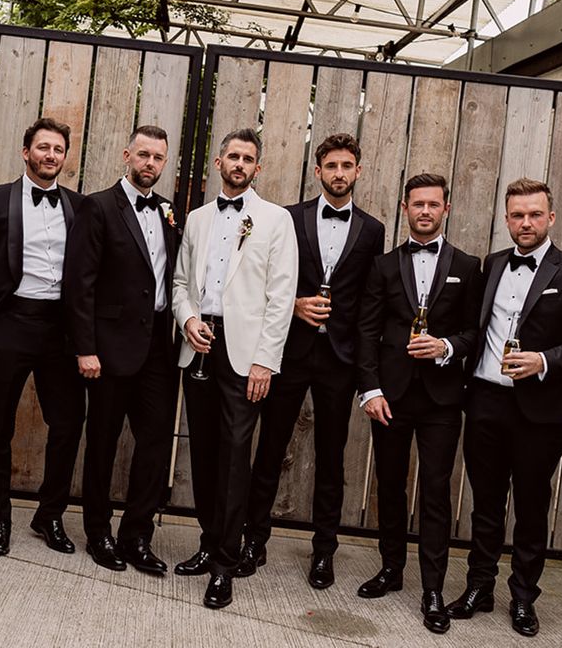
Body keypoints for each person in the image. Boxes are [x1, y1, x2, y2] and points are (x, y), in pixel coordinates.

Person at [446, 178, 562, 638]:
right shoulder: (491, 265)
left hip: (540, 410)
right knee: (485, 503)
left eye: (535, 214)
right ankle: (479, 587)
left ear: (550, 218)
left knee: (532, 506)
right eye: (517, 215)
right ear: (507, 219)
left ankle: (523, 598)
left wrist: (543, 361)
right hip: (485, 402)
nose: (526, 222)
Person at [242, 133, 384, 589]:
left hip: (339, 361)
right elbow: (268, 280)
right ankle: (253, 540)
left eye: (347, 166)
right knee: (269, 449)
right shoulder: (289, 218)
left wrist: (365, 370)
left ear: (357, 172)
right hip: (290, 351)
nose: (339, 173)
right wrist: (296, 305)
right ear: (318, 170)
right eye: (331, 166)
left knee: (331, 458)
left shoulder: (373, 230)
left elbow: (369, 305)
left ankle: (324, 552)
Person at [172, 128, 299, 609]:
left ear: (257, 168)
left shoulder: (275, 220)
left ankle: (225, 563)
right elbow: (181, 281)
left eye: (249, 158)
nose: (240, 164)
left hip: (246, 355)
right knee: (202, 452)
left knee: (233, 455)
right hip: (199, 343)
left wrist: (266, 360)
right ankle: (207, 544)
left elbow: (281, 296)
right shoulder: (199, 218)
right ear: (218, 162)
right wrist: (187, 320)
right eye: (233, 157)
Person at [357, 172, 482, 634]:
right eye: (417, 204)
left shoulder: (469, 266)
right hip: (390, 395)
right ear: (405, 209)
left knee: (435, 492)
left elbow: (474, 332)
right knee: (389, 484)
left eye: (433, 204)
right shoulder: (384, 265)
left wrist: (446, 347)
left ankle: (432, 588)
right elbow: (366, 330)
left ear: (445, 209)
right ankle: (391, 569)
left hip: (442, 400)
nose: (425, 211)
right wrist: (369, 390)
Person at [63, 125, 180, 575]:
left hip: (157, 350)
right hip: (108, 350)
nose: (150, 163)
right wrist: (85, 348)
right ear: (127, 155)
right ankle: (98, 533)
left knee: (153, 444)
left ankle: (136, 536)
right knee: (103, 443)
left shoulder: (169, 210)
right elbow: (80, 283)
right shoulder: (98, 205)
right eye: (144, 154)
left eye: (158, 157)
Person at [0, 118, 85, 557]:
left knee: (69, 423)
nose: (50, 155)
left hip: (60, 329)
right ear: (26, 152)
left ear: (65, 156)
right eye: (43, 147)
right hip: (9, 323)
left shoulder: (79, 206)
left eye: (58, 149)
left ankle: (49, 515)